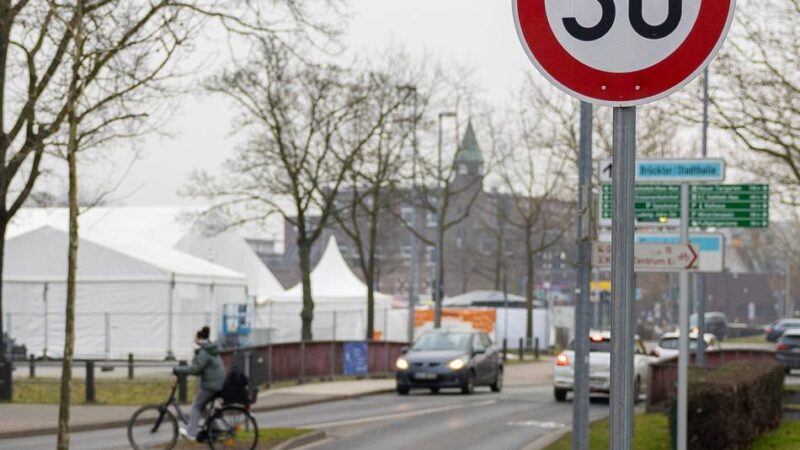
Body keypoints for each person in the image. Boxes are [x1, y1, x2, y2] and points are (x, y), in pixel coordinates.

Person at [174, 326, 225, 441]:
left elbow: (196, 369)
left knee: (196, 405)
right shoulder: (209, 348)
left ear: (199, 338)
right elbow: (198, 369)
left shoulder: (204, 352)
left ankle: (191, 432)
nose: (194, 340)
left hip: (212, 384)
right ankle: (215, 428)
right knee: (202, 406)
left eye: (195, 338)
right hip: (217, 382)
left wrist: (178, 369)